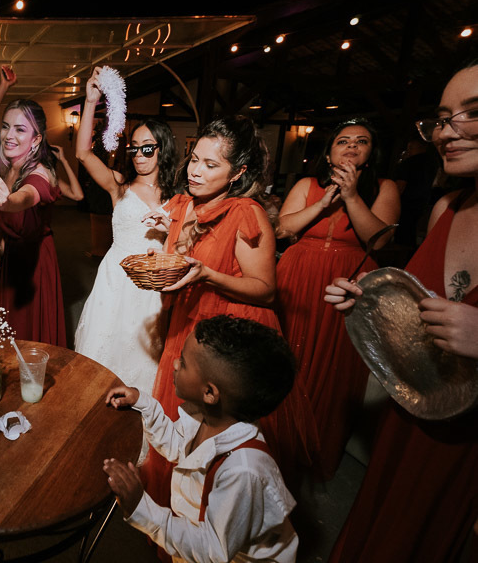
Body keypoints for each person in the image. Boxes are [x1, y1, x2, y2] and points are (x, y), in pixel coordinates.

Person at [324, 61, 478, 563]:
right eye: (441, 117)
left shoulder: (386, 188)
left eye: (471, 114)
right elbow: (413, 312)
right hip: (413, 412)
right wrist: (366, 301)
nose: (446, 131)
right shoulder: (446, 208)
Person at [140, 116, 318, 505]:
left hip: (226, 335)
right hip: (186, 327)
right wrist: (164, 255)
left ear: (238, 172)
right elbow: (182, 259)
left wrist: (208, 275)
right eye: (194, 159)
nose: (196, 171)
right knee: (180, 432)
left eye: (211, 165)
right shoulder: (184, 202)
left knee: (215, 444)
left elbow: (266, 290)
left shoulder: (245, 213)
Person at [103, 315, 298, 563]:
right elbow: (178, 446)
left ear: (209, 392)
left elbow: (213, 549)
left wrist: (142, 507)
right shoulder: (210, 417)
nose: (174, 364)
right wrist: (144, 404)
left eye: (183, 363)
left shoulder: (243, 471)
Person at [274, 118, 400, 479]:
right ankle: (271, 441)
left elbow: (379, 240)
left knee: (331, 365)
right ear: (329, 151)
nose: (351, 147)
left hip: (345, 288)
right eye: (343, 141)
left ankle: (310, 453)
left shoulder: (384, 187)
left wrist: (352, 196)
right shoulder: (306, 184)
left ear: (372, 152)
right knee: (285, 356)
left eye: (361, 142)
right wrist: (323, 202)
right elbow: (283, 229)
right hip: (297, 278)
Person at [73, 67, 180, 393]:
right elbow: (82, 153)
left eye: (148, 147)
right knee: (103, 349)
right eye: (134, 147)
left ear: (163, 149)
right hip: (115, 277)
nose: (138, 154)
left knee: (141, 356)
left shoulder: (179, 194)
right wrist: (91, 102)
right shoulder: (119, 185)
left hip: (152, 285)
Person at [0, 66, 84, 345]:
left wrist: (7, 201)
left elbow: (26, 196)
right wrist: (2, 88)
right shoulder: (8, 163)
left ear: (36, 139)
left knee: (29, 335)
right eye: (6, 126)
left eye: (20, 129)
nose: (8, 135)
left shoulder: (40, 172)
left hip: (33, 262)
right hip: (9, 254)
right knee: (9, 329)